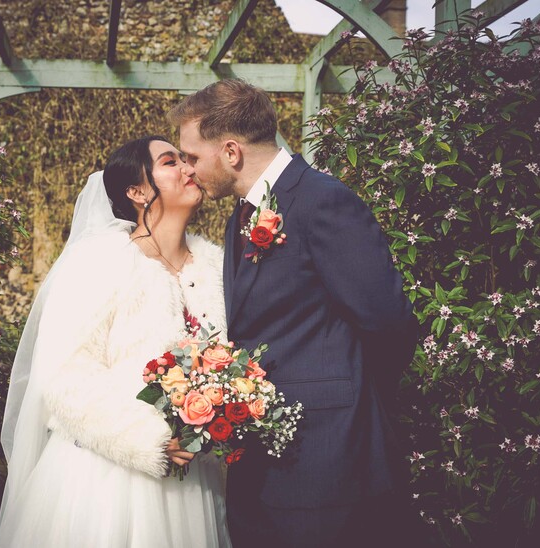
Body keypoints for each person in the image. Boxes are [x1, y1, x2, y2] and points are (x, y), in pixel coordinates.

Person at [168, 79, 419, 547]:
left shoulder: (324, 200)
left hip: (327, 460)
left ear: (230, 151)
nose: (188, 169)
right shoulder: (239, 214)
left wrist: (344, 400)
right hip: (259, 459)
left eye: (193, 157)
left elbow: (389, 322)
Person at [0, 136, 231, 547]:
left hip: (194, 482)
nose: (189, 169)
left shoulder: (216, 267)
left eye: (186, 159)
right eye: (171, 162)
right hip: (108, 481)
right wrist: (149, 441)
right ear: (137, 192)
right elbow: (65, 375)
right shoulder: (101, 261)